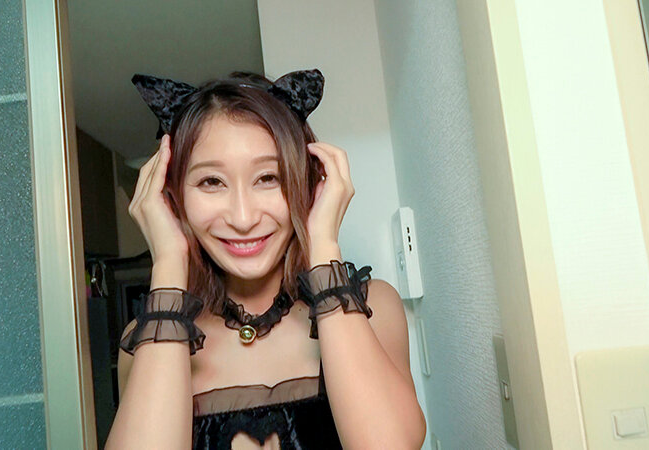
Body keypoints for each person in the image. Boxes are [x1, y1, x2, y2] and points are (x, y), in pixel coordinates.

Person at [105, 69, 426, 449]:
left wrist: (322, 245)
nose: (243, 218)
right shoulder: (148, 341)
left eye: (268, 178)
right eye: (211, 182)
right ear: (171, 195)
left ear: (309, 182)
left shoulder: (373, 309)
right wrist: (169, 263)